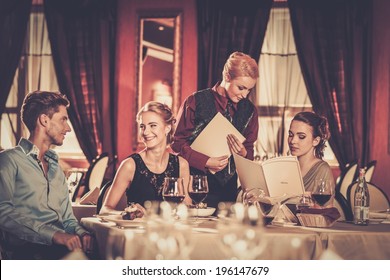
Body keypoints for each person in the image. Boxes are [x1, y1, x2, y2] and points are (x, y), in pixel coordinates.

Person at [0, 91, 93, 260]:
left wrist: (82, 233)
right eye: (63, 119)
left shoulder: (56, 169)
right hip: (24, 254)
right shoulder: (9, 160)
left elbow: (68, 219)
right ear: (44, 120)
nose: (68, 128)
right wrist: (53, 235)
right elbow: (2, 212)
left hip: (57, 250)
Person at [172, 51, 259, 208]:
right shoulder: (194, 101)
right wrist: (206, 161)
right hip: (194, 186)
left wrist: (243, 154)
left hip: (228, 192)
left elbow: (249, 152)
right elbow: (177, 145)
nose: (244, 95)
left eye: (249, 90)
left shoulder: (251, 111)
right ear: (227, 77)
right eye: (241, 88)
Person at [100, 101, 191, 215]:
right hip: (138, 231)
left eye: (153, 125)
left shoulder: (182, 165)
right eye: (142, 126)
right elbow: (104, 210)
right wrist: (129, 213)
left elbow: (187, 209)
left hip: (170, 230)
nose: (146, 132)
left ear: (167, 128)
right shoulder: (130, 165)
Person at [288, 111, 335, 193]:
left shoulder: (322, 170)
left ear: (316, 141)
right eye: (291, 135)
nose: (293, 141)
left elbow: (327, 205)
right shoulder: (286, 167)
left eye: (301, 137)